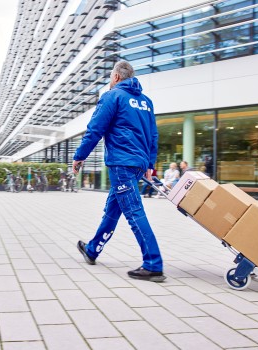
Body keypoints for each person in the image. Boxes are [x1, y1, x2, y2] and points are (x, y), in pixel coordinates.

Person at [73, 60, 165, 282]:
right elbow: (153, 136)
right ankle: (93, 250)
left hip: (122, 162)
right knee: (113, 209)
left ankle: (153, 264)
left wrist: (79, 156)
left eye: (110, 78)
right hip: (138, 163)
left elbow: (95, 129)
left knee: (134, 211)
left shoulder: (112, 96)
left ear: (115, 77)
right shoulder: (146, 102)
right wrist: (150, 165)